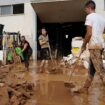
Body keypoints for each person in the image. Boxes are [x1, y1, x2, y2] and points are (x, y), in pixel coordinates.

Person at [76, 0, 105, 93]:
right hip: (100, 45)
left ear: (89, 8)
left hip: (94, 46)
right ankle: (85, 88)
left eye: (85, 9)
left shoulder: (89, 17)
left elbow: (89, 34)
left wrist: (83, 45)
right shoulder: (102, 18)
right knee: (91, 70)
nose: (85, 11)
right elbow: (103, 32)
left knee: (100, 71)